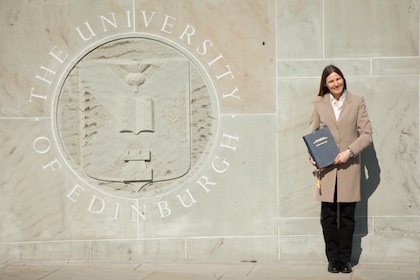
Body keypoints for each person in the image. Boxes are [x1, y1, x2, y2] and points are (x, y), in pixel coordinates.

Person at [308, 65, 373, 273]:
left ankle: (344, 259)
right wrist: (312, 155)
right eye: (331, 81)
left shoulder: (357, 101)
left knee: (346, 216)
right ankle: (332, 259)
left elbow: (367, 134)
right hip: (326, 167)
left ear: (343, 79)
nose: (336, 84)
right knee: (327, 215)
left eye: (338, 79)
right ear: (325, 85)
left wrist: (349, 152)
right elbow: (313, 132)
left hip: (349, 167)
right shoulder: (319, 103)